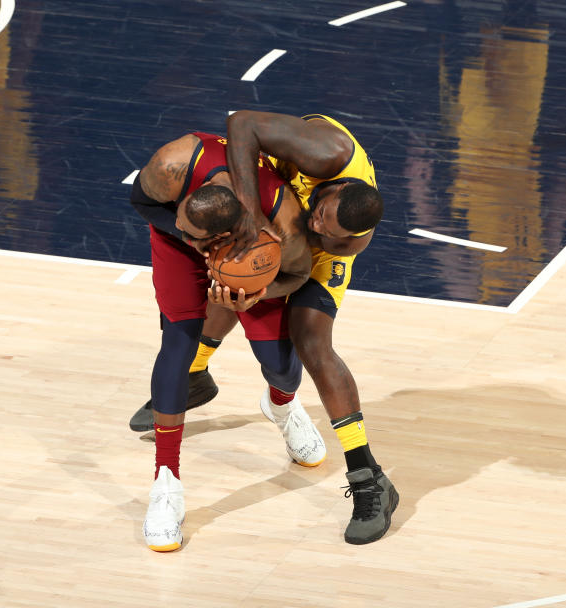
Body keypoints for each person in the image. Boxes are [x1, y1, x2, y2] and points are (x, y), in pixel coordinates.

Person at [133, 111, 395, 545]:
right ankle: (191, 383)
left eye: (325, 228)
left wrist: (260, 276)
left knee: (310, 341)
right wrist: (251, 223)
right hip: (257, 208)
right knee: (228, 283)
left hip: (297, 246)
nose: (317, 224)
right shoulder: (327, 153)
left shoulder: (338, 235)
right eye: (320, 215)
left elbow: (297, 261)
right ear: (336, 188)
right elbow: (241, 123)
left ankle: (367, 479)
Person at [129, 130, 327, 552]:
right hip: (175, 246)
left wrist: (256, 293)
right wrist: (183, 236)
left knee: (278, 361)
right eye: (180, 214)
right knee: (177, 344)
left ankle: (282, 404)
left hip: (254, 254)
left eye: (192, 228)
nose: (180, 220)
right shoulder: (174, 166)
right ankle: (166, 485)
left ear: (221, 235)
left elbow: (298, 274)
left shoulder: (282, 220)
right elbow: (143, 203)